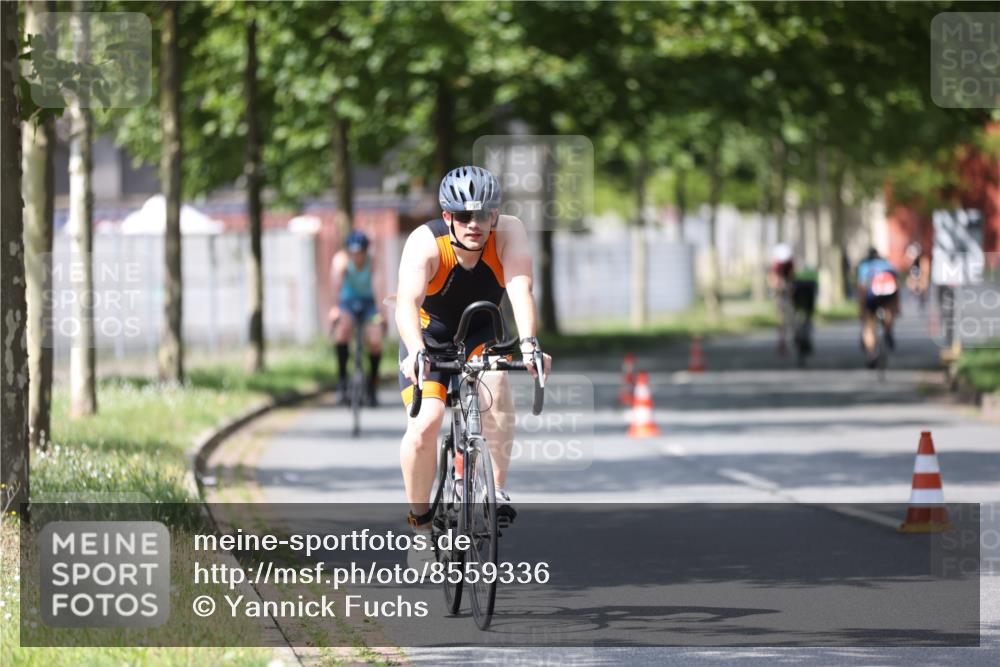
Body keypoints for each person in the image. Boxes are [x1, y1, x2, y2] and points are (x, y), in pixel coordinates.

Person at [395, 166, 552, 561]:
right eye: (463, 216)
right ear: (447, 216)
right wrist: (415, 350)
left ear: (496, 214)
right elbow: (407, 304)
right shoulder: (425, 243)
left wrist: (530, 343)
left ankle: (494, 490)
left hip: (481, 332)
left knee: (496, 382)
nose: (474, 224)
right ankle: (421, 524)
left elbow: (520, 287)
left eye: (484, 214)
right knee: (426, 423)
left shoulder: (509, 232)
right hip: (429, 339)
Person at [328, 230, 386, 407]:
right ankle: (342, 382)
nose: (357, 257)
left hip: (368, 304)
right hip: (347, 303)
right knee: (342, 333)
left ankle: (372, 386)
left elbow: (378, 287)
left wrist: (381, 313)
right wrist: (335, 308)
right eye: (353, 253)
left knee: (375, 341)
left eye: (359, 253)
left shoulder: (372, 262)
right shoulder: (341, 261)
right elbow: (335, 286)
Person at [856, 247, 900, 367]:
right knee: (889, 310)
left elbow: (862, 288)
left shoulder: (864, 266)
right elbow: (896, 285)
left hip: (872, 294)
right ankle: (888, 331)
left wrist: (862, 309)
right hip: (888, 293)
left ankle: (871, 354)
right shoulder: (887, 264)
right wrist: (896, 306)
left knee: (869, 324)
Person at [767, 243, 795, 355]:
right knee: (781, 319)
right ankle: (782, 341)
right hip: (780, 296)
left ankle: (789, 337)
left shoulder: (790, 264)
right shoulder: (776, 266)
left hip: (788, 294)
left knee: (789, 318)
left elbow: (793, 277)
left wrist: (790, 287)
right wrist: (779, 286)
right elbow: (773, 280)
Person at [791, 265, 819, 355]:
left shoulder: (797, 278)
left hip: (799, 299)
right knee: (808, 317)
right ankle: (804, 333)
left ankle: (797, 333)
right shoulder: (812, 278)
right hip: (807, 299)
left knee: (797, 316)